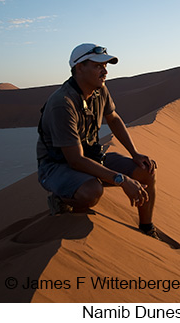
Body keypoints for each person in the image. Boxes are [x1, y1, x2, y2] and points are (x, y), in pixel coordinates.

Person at [36, 43, 158, 239]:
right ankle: (62, 201)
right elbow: (75, 160)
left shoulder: (100, 89)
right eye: (98, 66)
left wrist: (135, 154)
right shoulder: (63, 103)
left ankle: (147, 228)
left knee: (146, 170)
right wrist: (121, 179)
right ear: (79, 67)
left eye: (106, 66)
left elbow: (114, 118)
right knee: (92, 190)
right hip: (57, 166)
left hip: (91, 157)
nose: (105, 71)